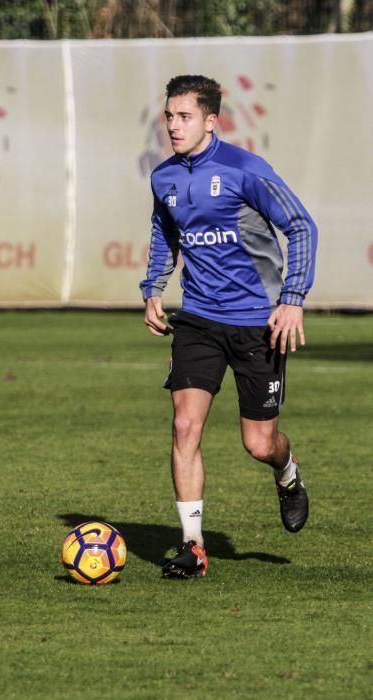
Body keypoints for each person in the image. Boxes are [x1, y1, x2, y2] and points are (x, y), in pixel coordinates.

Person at [139, 74, 318, 579]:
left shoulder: (245, 170)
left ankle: (287, 472)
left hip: (258, 324)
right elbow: (163, 231)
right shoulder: (164, 178)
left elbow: (301, 226)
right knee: (183, 426)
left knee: (259, 444)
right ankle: (192, 547)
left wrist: (293, 300)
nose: (173, 125)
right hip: (197, 318)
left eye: (185, 116)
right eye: (169, 115)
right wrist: (153, 286)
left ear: (210, 121)